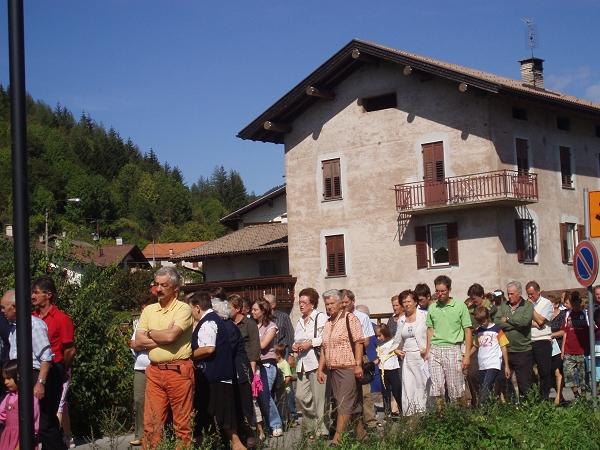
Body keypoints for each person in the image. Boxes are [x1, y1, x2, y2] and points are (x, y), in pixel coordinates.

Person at [134, 267, 195, 449]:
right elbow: (138, 340)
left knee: (182, 425)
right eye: (156, 285)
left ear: (175, 288)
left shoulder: (183, 309)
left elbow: (171, 336)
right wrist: (162, 337)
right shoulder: (149, 310)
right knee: (151, 424)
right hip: (154, 372)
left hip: (178, 371)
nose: (158, 289)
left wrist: (151, 333)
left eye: (164, 285)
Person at [1, 289, 66, 449]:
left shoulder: (34, 325)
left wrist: (40, 382)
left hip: (34, 375)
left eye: (4, 307)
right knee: (23, 421)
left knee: (42, 422)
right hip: (20, 376)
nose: (2, 311)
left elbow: (46, 357)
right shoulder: (14, 329)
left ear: (15, 307)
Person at [189, 292, 246, 450]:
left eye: (191, 308)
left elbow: (208, 348)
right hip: (213, 376)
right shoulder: (212, 320)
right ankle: (210, 445)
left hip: (214, 376)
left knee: (220, 416)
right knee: (210, 417)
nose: (191, 313)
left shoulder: (209, 322)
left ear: (198, 307)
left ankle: (237, 446)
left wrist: (188, 356)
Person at [317, 289, 366, 446]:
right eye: (327, 304)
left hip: (348, 367)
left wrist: (358, 365)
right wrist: (320, 369)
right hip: (333, 368)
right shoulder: (327, 323)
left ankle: (337, 439)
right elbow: (325, 347)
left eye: (332, 303)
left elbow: (359, 342)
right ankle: (361, 435)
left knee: (344, 403)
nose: (329, 306)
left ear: (340, 303)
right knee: (351, 403)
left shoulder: (349, 319)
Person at [424, 275, 472, 409]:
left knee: (456, 387)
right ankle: (442, 419)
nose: (440, 294)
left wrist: (466, 354)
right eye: (437, 291)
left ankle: (462, 416)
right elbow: (430, 329)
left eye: (443, 291)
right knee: (437, 387)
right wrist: (428, 351)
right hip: (435, 349)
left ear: (449, 290)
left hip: (452, 348)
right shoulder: (433, 308)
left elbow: (468, 331)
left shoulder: (460, 306)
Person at [214, 298, 256, 448]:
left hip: (239, 373)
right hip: (232, 373)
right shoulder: (225, 326)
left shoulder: (228, 327)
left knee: (242, 408)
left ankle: (248, 438)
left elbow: (224, 351)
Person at [291, 287, 328, 438]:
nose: (301, 305)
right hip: (302, 364)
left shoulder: (320, 317)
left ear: (312, 303)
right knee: (301, 395)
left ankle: (322, 430)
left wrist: (310, 343)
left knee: (320, 398)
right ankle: (313, 425)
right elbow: (297, 339)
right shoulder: (299, 321)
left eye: (304, 302)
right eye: (299, 302)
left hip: (316, 361)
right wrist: (295, 346)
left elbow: (325, 338)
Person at [340, 290, 378, 429]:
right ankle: (349, 424)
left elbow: (367, 340)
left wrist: (354, 346)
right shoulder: (339, 317)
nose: (344, 305)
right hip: (343, 358)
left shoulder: (362, 317)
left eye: (346, 302)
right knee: (345, 392)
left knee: (365, 392)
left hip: (360, 356)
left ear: (353, 301)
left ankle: (371, 422)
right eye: (342, 303)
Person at [228, 295, 262, 441]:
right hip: (232, 365)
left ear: (237, 309)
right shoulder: (228, 323)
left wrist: (252, 367)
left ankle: (251, 431)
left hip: (247, 364)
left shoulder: (249, 323)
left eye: (229, 308)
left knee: (249, 400)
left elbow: (255, 345)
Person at [494, 280, 534, 402]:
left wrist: (508, 319)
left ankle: (526, 407)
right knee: (503, 379)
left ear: (520, 293)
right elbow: (497, 321)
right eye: (508, 294)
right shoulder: (504, 306)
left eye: (512, 294)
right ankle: (511, 404)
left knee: (524, 382)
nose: (509, 297)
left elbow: (524, 322)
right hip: (506, 350)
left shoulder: (528, 306)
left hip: (522, 350)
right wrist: (515, 325)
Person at [392, 290, 429, 415]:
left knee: (423, 386)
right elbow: (397, 340)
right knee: (408, 387)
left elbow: (431, 335)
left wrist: (428, 349)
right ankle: (411, 416)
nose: (406, 304)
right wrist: (396, 350)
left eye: (409, 301)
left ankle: (425, 413)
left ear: (415, 302)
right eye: (404, 302)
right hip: (408, 357)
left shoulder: (424, 316)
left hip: (421, 356)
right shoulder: (401, 320)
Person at [128, 294, 158, 447]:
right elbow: (134, 343)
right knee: (139, 400)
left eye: (145, 309)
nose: (143, 312)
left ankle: (156, 434)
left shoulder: (159, 322)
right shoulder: (141, 324)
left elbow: (161, 343)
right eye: (141, 310)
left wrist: (144, 344)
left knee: (155, 402)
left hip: (156, 365)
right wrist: (147, 344)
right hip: (140, 367)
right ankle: (140, 433)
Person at [251, 299, 283, 437]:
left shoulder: (271, 326)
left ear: (263, 311)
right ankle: (263, 424)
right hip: (254, 364)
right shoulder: (252, 325)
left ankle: (276, 424)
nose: (252, 312)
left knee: (265, 395)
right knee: (256, 397)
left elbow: (263, 344)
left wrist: (249, 340)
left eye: (255, 310)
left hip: (267, 364)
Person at [264, 294, 297, 425]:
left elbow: (290, 337)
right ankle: (276, 416)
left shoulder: (283, 317)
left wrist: (290, 356)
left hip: (282, 353)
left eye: (266, 302)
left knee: (285, 384)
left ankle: (292, 414)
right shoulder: (263, 319)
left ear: (273, 305)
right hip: (268, 354)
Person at [465, 283, 497, 408]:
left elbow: (497, 323)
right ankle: (477, 401)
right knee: (471, 374)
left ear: (482, 296)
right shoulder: (469, 310)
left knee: (491, 376)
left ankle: (490, 402)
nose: (473, 301)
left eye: (475, 299)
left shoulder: (491, 308)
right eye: (471, 299)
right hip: (475, 344)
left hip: (489, 345)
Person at [471, 306, 510, 406]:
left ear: (488, 317)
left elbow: (504, 347)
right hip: (482, 364)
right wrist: (466, 356)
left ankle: (482, 411)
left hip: (493, 364)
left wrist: (506, 366)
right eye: (479, 322)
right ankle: (491, 410)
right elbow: (476, 345)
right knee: (485, 389)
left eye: (483, 321)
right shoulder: (479, 331)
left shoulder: (497, 330)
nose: (482, 323)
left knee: (485, 389)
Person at [0, 360, 39, 450]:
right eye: (4, 379)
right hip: (8, 438)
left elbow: (34, 424)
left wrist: (22, 444)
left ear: (18, 377)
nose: (5, 382)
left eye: (9, 378)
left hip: (23, 438)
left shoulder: (31, 399)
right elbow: (1, 415)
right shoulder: (8, 397)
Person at [525, 281, 554, 401]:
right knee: (527, 371)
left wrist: (531, 308)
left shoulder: (546, 303)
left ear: (538, 291)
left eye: (532, 294)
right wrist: (533, 323)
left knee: (544, 371)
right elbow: (523, 321)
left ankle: (544, 397)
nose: (530, 297)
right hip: (529, 340)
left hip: (542, 340)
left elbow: (541, 321)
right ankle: (532, 396)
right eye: (528, 294)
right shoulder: (525, 304)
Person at [561, 293, 591, 399]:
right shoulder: (568, 314)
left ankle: (582, 397)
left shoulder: (586, 313)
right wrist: (563, 349)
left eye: (577, 305)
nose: (575, 307)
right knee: (567, 372)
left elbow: (592, 330)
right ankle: (576, 394)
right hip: (569, 349)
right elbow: (565, 332)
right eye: (573, 305)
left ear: (580, 303)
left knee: (583, 376)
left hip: (582, 350)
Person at [373, 324, 401, 419]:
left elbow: (398, 352)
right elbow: (379, 358)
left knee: (397, 391)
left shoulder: (393, 342)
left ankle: (402, 411)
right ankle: (387, 414)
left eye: (379, 335)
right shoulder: (379, 345)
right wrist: (372, 364)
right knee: (385, 393)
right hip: (383, 370)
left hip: (393, 369)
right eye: (376, 336)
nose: (378, 338)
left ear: (385, 333)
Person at [549, 294, 566, 405]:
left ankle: (558, 397)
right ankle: (560, 395)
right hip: (548, 347)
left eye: (551, 304)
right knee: (551, 372)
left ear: (556, 304)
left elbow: (564, 331)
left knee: (557, 371)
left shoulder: (562, 315)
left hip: (558, 346)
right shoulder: (546, 316)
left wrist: (551, 335)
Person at [274, 344, 292, 427]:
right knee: (280, 404)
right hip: (277, 388)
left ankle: (284, 422)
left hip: (284, 389)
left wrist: (283, 386)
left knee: (282, 405)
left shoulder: (285, 364)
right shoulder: (276, 364)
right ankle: (288, 418)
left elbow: (288, 376)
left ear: (278, 355)